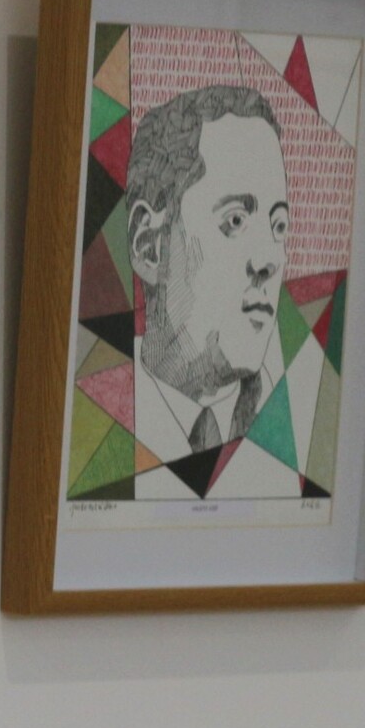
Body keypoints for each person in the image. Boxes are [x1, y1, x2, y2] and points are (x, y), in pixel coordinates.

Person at [126, 84, 290, 471]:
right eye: (235, 220)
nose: (269, 258)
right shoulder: (100, 416)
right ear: (149, 246)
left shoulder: (292, 423)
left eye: (279, 226)